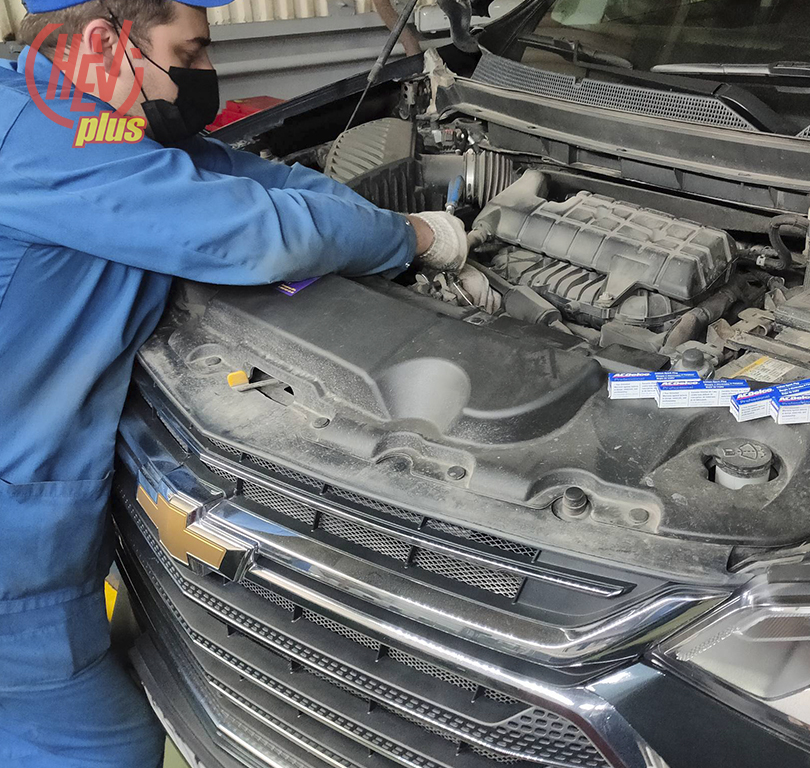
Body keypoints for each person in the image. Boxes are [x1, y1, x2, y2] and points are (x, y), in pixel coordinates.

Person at [0, 0, 469, 764]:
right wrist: (417, 236)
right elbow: (252, 232)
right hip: (11, 561)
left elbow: (235, 174)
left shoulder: (58, 112)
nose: (206, 76)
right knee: (102, 746)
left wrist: (362, 219)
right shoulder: (37, 144)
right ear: (99, 43)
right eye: (188, 55)